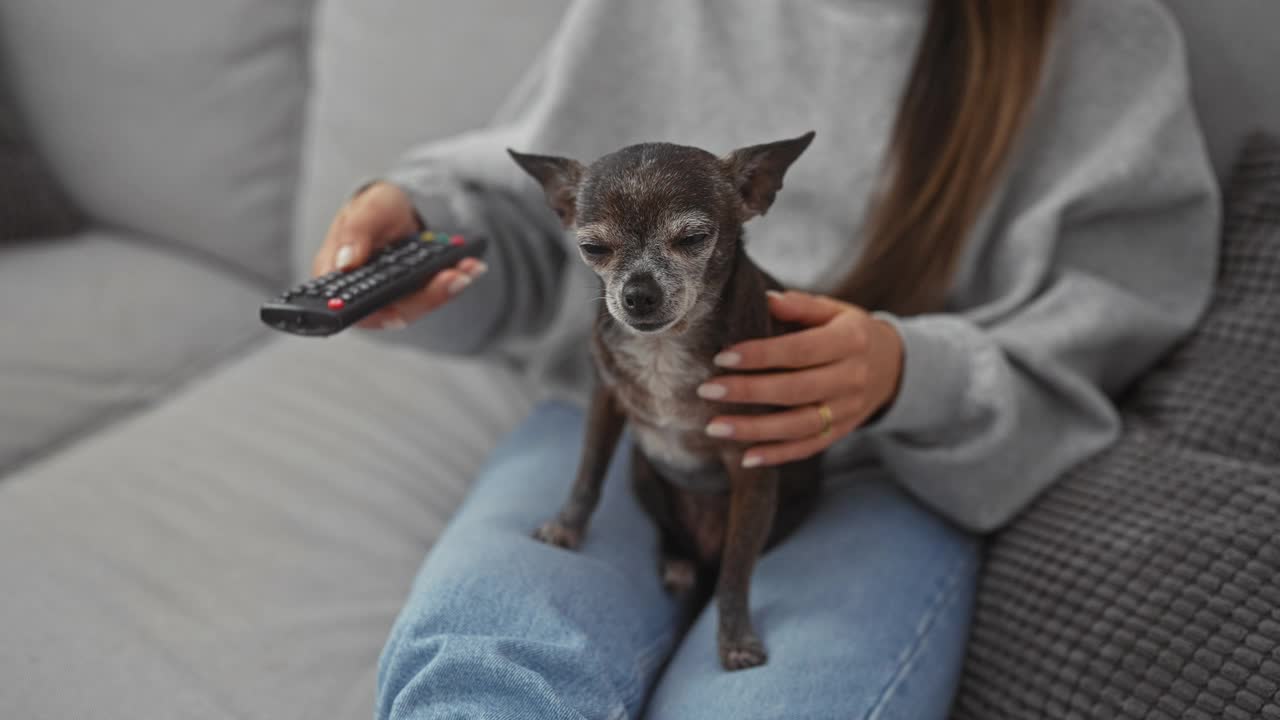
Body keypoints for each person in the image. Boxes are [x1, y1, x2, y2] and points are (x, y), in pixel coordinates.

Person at [311, 0, 1220, 717]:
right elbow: (537, 215)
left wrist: (910, 370)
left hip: (881, 467)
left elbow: (1114, 327)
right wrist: (424, 241)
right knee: (481, 670)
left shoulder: (1099, 41)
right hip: (625, 404)